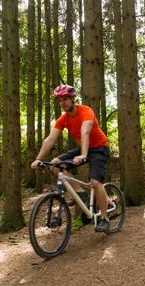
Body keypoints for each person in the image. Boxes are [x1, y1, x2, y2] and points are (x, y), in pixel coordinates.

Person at [30, 85, 111, 233]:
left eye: (65, 99)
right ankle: (82, 194)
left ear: (73, 99)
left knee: (95, 182)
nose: (63, 102)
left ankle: (104, 218)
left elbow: (85, 132)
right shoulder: (63, 119)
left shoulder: (86, 111)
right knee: (54, 165)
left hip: (99, 148)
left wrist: (84, 155)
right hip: (83, 149)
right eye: (59, 100)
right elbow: (50, 139)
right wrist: (38, 159)